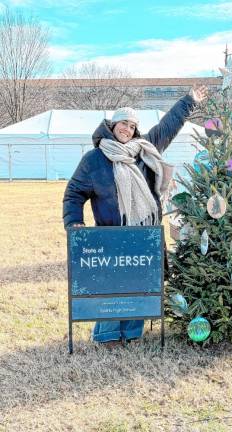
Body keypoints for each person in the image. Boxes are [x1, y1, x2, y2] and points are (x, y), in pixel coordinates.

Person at [63, 85, 208, 345]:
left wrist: (189, 101)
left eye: (132, 126)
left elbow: (169, 125)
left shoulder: (144, 149)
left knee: (140, 283)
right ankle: (107, 336)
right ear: (112, 125)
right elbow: (74, 193)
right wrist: (74, 222)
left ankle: (132, 334)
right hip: (111, 236)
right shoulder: (93, 159)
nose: (127, 130)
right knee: (111, 286)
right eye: (123, 124)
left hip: (144, 233)